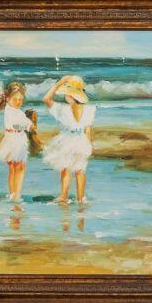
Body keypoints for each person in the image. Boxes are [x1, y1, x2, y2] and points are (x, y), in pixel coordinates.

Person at [43, 74, 96, 210]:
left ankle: (66, 196)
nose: (65, 96)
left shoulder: (63, 109)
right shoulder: (89, 109)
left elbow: (47, 99)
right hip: (80, 140)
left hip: (69, 140)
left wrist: (59, 83)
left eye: (67, 94)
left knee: (69, 169)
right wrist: (89, 145)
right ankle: (78, 197)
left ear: (72, 96)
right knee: (78, 170)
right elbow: (88, 130)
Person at [0, 80, 35, 206]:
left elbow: (22, 122)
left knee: (15, 168)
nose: (19, 102)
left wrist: (28, 123)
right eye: (16, 99)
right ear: (8, 98)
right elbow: (18, 125)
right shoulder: (11, 111)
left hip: (14, 139)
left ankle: (14, 193)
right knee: (18, 167)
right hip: (15, 141)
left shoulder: (14, 110)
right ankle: (15, 193)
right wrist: (28, 125)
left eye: (21, 99)